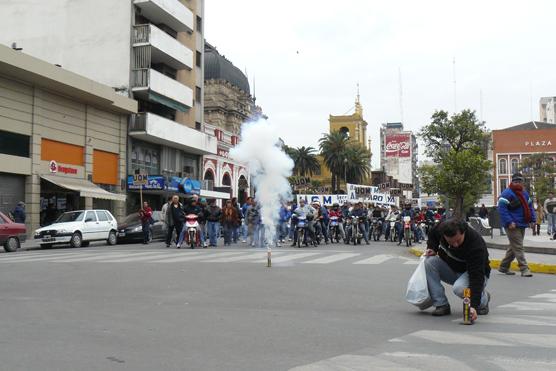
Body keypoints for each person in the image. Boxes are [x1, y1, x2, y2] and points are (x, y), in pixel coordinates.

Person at [423, 219, 491, 319]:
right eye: (450, 241)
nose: (455, 245)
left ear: (463, 232)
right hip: (453, 268)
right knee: (429, 262)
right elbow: (432, 233)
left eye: (458, 240)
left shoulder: (476, 245)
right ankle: (441, 304)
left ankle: (483, 299)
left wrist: (473, 306)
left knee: (459, 289)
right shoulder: (440, 229)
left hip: (474, 274)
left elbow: (476, 277)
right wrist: (432, 248)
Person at [498, 173, 535, 277]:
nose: (518, 183)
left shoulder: (525, 193)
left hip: (522, 224)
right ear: (512, 181)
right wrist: (509, 222)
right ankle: (524, 269)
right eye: (516, 181)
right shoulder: (506, 193)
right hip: (512, 225)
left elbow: (530, 207)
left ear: (522, 182)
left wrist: (532, 220)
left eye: (520, 181)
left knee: (513, 247)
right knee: (518, 246)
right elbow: (502, 209)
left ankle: (503, 267)